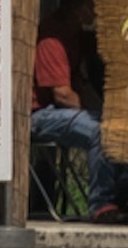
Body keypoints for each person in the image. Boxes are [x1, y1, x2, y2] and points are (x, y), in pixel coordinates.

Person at [30, 20, 102, 218]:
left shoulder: (78, 39)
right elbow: (62, 95)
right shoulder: (52, 39)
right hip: (39, 114)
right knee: (99, 131)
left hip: (60, 111)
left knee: (116, 127)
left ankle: (121, 196)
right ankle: (101, 203)